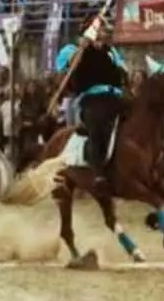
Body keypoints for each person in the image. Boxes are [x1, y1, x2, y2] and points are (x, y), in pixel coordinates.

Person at [53, 15, 128, 189]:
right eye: (101, 29)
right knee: (97, 123)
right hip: (91, 97)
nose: (106, 32)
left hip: (115, 95)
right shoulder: (72, 49)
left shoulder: (111, 51)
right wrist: (83, 48)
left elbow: (123, 69)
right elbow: (64, 71)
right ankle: (98, 173)